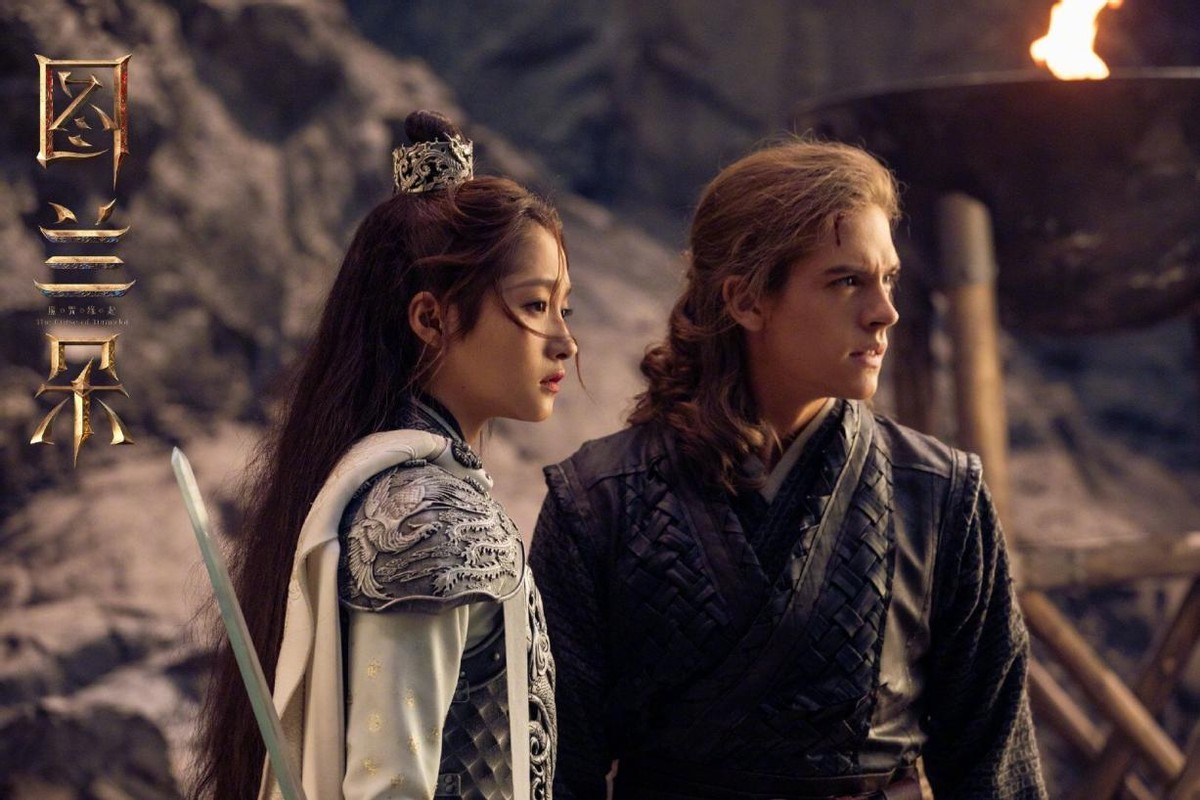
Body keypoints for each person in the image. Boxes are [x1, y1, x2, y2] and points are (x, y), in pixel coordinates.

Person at [528, 139, 1047, 800]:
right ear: (748, 301)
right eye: (847, 281)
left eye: (888, 278)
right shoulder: (598, 501)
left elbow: (995, 771)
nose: (884, 311)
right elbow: (556, 771)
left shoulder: (940, 495)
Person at [190, 110, 575, 800]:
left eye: (563, 309)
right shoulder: (428, 519)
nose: (564, 342)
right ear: (431, 319)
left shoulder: (409, 492)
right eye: (535, 306)